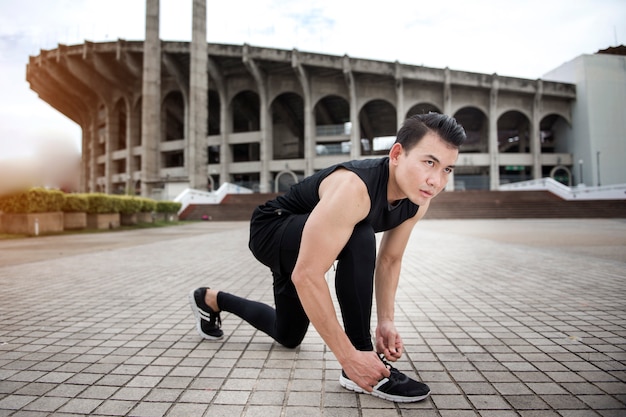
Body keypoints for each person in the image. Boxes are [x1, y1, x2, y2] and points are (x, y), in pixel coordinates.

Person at [189, 112, 466, 403]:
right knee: (359, 234)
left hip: (305, 240)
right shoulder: (355, 188)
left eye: (447, 169)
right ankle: (359, 362)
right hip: (273, 229)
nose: (436, 180)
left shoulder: (417, 199)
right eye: (429, 162)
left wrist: (386, 321)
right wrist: (350, 357)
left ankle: (210, 299)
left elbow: (390, 260)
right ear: (397, 154)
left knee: (288, 335)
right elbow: (307, 275)